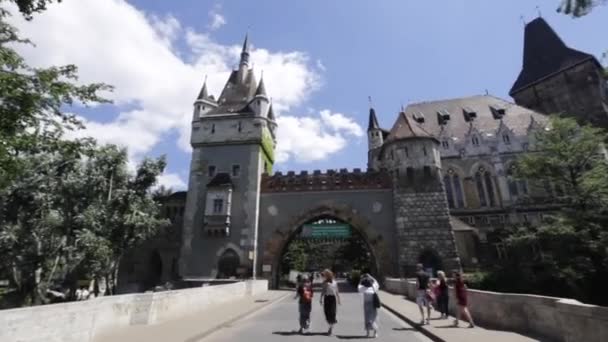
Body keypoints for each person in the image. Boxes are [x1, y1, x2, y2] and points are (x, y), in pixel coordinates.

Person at [358, 273, 380, 338]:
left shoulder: (362, 288)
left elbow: (359, 285)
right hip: (373, 304)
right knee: (374, 318)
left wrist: (362, 279)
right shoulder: (374, 286)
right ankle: (375, 333)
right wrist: (370, 276)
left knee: (367, 319)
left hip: (366, 304)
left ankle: (367, 333)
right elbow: (376, 282)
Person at [320, 269, 341, 336]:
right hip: (327, 298)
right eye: (325, 274)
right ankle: (330, 326)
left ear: (330, 275)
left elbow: (337, 291)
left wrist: (339, 299)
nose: (325, 275)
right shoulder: (324, 282)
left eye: (327, 274)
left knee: (332, 313)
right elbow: (323, 291)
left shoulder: (335, 282)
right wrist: (320, 299)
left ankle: (331, 328)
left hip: (332, 298)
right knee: (327, 313)